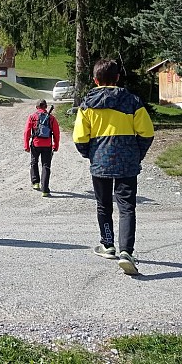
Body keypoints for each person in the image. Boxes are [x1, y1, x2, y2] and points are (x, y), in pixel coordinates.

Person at [73, 59, 154, 275]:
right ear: (118, 78)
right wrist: (137, 154)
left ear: (95, 79)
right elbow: (147, 133)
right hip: (127, 161)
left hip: (100, 161)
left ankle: (107, 245)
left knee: (103, 205)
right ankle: (126, 252)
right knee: (127, 207)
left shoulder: (87, 104)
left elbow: (80, 137)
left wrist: (90, 154)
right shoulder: (133, 101)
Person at [23, 99, 60, 197]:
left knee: (34, 162)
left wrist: (26, 145)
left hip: (35, 144)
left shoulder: (32, 117)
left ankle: (35, 183)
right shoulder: (51, 118)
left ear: (36, 107)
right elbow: (56, 133)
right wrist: (55, 145)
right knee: (46, 166)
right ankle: (45, 190)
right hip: (47, 145)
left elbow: (27, 132)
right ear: (46, 107)